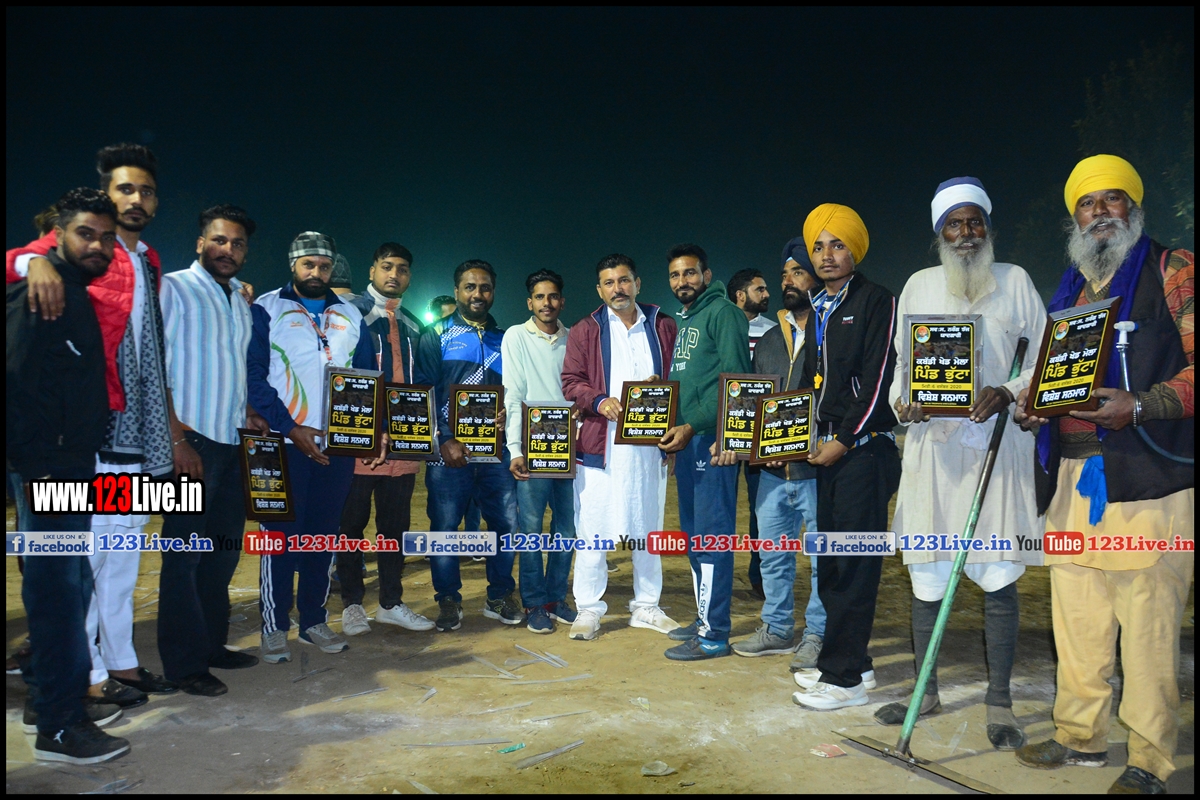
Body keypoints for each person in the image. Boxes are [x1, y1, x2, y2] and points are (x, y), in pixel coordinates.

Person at [1014, 155, 1194, 794]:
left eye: (1112, 199)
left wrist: (1141, 405)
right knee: (1078, 618)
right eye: (1088, 204)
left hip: (1147, 477)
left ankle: (1149, 759)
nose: (1100, 213)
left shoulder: (1174, 269)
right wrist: (1034, 406)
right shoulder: (1070, 291)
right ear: (1075, 217)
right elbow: (1052, 379)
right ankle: (1079, 736)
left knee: (1147, 622)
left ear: (1133, 209)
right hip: (1071, 478)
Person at [8, 143, 179, 706]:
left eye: (146, 191)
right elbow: (20, 260)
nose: (136, 199)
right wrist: (30, 262)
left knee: (124, 551)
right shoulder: (78, 251)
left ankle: (122, 659)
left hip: (140, 429)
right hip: (95, 425)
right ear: (105, 196)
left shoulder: (147, 259)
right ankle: (87, 670)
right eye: (125, 189)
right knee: (90, 554)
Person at [883, 178, 1046, 749]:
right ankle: (925, 691)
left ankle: (999, 701)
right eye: (954, 223)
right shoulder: (919, 285)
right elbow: (902, 368)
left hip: (998, 454)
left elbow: (1045, 361)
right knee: (927, 576)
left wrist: (1007, 390)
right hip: (933, 454)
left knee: (998, 575)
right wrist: (903, 403)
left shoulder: (1016, 281)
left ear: (988, 227)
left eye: (975, 221)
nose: (966, 233)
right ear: (940, 233)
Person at [7, 188, 129, 763]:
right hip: (49, 471)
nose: (98, 245)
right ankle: (58, 726)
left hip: (70, 467)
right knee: (57, 595)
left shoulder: (74, 291)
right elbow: (15, 380)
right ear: (56, 234)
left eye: (107, 238)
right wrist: (38, 464)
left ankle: (56, 705)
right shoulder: (40, 289)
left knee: (69, 588)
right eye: (86, 233)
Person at [248, 231, 379, 663]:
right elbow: (254, 378)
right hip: (280, 444)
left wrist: (368, 429)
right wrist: (290, 428)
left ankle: (312, 620)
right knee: (280, 538)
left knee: (322, 536)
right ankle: (273, 625)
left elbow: (364, 379)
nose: (316, 272)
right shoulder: (266, 308)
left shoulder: (350, 314)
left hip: (335, 446)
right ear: (294, 265)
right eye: (308, 264)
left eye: (324, 266)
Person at [791, 204, 901, 711]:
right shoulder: (819, 307)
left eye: (837, 245)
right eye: (818, 246)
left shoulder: (876, 300)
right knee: (833, 563)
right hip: (828, 453)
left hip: (863, 451)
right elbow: (810, 383)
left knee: (854, 565)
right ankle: (852, 662)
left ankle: (843, 679)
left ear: (855, 250)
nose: (827, 255)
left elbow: (879, 378)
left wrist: (847, 437)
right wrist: (791, 436)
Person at [157, 205, 268, 696]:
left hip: (231, 440)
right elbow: (156, 365)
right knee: (183, 557)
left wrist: (248, 411)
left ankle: (211, 646)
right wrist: (176, 438)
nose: (229, 250)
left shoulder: (239, 299)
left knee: (221, 553)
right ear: (201, 243)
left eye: (238, 244)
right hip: (191, 441)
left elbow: (232, 367)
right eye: (220, 240)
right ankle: (183, 665)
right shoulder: (174, 288)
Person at [561, 254, 679, 640]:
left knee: (647, 528)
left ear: (637, 283)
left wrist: (660, 386)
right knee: (592, 529)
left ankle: (646, 605)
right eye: (609, 283)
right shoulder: (586, 329)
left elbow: (677, 376)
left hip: (649, 447)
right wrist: (598, 401)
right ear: (600, 290)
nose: (618, 289)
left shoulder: (662, 325)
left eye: (624, 280)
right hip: (601, 447)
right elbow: (571, 381)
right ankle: (588, 608)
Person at [721, 241, 826, 665]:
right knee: (773, 557)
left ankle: (818, 633)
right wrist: (743, 441)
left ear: (818, 277)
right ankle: (778, 628)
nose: (788, 282)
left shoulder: (832, 331)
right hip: (770, 473)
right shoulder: (768, 340)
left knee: (822, 561)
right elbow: (751, 401)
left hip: (817, 470)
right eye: (784, 275)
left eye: (798, 273)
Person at [413, 260, 521, 632]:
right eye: (470, 287)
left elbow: (517, 390)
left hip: (496, 452)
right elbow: (424, 390)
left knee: (504, 524)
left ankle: (499, 595)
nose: (478, 294)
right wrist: (443, 438)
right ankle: (448, 599)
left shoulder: (506, 339)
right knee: (445, 527)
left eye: (485, 287)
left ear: (493, 292)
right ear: (457, 290)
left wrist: (510, 414)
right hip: (449, 453)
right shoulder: (436, 334)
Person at [337, 243, 434, 636]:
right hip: (359, 443)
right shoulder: (348, 313)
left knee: (394, 529)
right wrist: (373, 428)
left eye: (403, 269)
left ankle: (391, 603)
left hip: (402, 445)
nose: (394, 274)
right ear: (372, 270)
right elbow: (341, 375)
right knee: (350, 527)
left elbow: (422, 383)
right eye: (387, 266)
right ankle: (351, 604)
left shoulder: (415, 325)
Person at [661, 244, 752, 661]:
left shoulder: (723, 313)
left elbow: (737, 379)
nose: (683, 281)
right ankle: (703, 617)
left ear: (706, 275)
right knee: (695, 537)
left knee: (712, 538)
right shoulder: (687, 319)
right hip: (689, 442)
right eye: (675, 275)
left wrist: (721, 432)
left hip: (712, 443)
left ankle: (714, 634)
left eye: (690, 273)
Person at [503, 269, 579, 633]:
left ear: (561, 301)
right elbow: (513, 394)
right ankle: (534, 602)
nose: (546, 303)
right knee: (531, 528)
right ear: (529, 302)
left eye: (552, 296)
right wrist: (514, 449)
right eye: (539, 297)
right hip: (532, 450)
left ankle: (555, 598)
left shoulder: (574, 338)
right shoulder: (516, 336)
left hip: (569, 450)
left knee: (567, 528)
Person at [726, 268, 776, 599]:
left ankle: (760, 575)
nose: (767, 294)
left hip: (762, 433)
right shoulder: (722, 326)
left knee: (763, 508)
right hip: (726, 433)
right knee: (722, 508)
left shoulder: (775, 331)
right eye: (760, 289)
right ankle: (718, 574)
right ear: (740, 295)